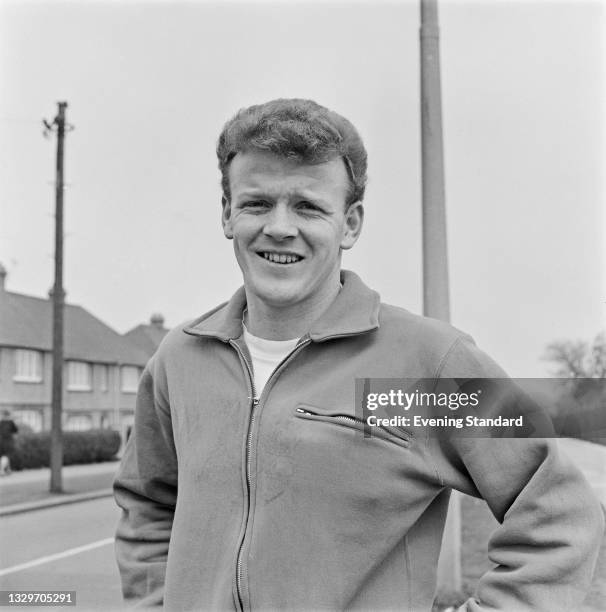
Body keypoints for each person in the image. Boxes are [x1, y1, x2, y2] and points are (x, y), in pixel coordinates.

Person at [113, 99, 604, 611]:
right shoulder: (179, 360)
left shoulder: (430, 363)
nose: (280, 227)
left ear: (350, 224)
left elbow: (560, 513)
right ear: (227, 214)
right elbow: (148, 506)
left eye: (308, 206)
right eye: (257, 203)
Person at [0, 409, 18, 476]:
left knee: (5, 456)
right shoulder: (11, 422)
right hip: (8, 442)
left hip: (1, 442)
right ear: (8, 415)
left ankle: (8, 470)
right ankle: (2, 470)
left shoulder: (1, 422)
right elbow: (16, 431)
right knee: (6, 456)